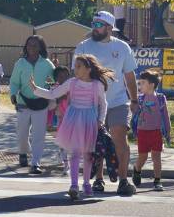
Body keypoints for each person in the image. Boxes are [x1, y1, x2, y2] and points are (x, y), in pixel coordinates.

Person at [29, 54, 113, 199]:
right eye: (75, 66)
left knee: (88, 155)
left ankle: (86, 183)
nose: (75, 69)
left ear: (88, 69)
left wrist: (101, 120)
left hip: (90, 121)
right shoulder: (71, 83)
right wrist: (36, 89)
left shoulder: (97, 85)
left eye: (79, 66)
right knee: (75, 153)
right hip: (73, 120)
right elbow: (53, 93)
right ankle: (74, 185)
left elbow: (103, 104)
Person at [75, 10, 139, 196]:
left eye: (98, 24)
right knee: (96, 142)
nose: (94, 27)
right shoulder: (83, 46)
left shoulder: (122, 47)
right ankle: (98, 179)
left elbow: (129, 75)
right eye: (93, 23)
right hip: (91, 103)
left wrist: (134, 100)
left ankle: (123, 180)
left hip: (118, 101)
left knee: (119, 138)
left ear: (110, 28)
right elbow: (76, 76)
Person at [10, 35, 55, 174]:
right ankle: (23, 152)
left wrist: (51, 95)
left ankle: (36, 163)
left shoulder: (47, 64)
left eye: (35, 45)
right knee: (22, 133)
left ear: (41, 47)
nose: (31, 48)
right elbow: (14, 82)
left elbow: (51, 82)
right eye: (29, 45)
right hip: (23, 102)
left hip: (41, 104)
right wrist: (13, 94)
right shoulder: (21, 63)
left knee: (39, 135)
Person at [131, 70, 171, 191]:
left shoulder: (160, 98)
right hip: (142, 132)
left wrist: (168, 130)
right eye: (139, 83)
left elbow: (165, 115)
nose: (140, 85)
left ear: (151, 84)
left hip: (156, 132)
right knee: (142, 157)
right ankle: (137, 169)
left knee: (156, 157)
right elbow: (134, 114)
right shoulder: (139, 99)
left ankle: (157, 180)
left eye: (142, 83)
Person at [49, 66, 72, 173]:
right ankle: (66, 164)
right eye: (60, 76)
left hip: (73, 118)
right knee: (63, 140)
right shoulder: (55, 88)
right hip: (61, 118)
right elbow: (53, 101)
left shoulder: (73, 86)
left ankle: (61, 154)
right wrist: (60, 98)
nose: (63, 78)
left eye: (65, 76)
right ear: (56, 78)